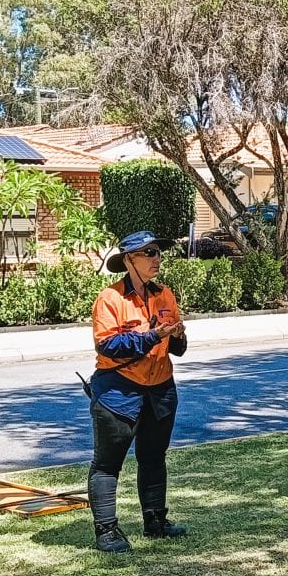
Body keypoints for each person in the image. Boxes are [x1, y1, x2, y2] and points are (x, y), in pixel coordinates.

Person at [87, 231, 188, 554]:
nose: (157, 258)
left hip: (160, 390)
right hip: (118, 393)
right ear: (129, 260)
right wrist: (151, 336)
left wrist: (177, 336)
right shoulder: (110, 299)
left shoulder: (165, 295)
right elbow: (108, 345)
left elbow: (179, 350)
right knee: (107, 464)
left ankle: (156, 521)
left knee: (154, 457)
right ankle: (106, 531)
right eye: (149, 253)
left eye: (158, 252)